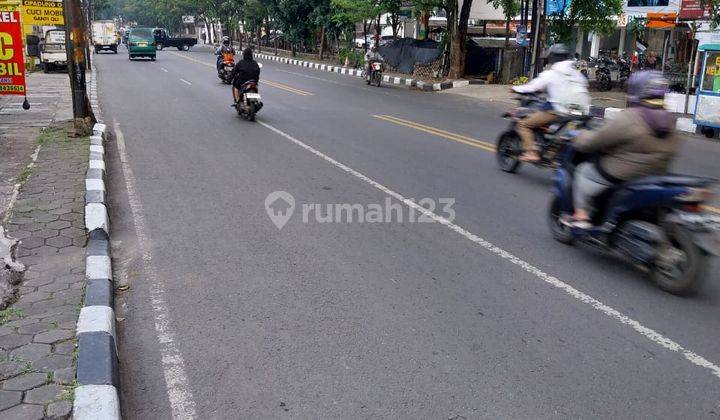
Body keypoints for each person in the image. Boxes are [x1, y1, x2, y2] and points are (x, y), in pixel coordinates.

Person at [566, 71, 681, 229]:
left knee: (583, 172)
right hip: (655, 175)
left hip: (623, 175)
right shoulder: (670, 119)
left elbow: (595, 141)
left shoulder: (630, 117)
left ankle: (582, 216)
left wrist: (579, 136)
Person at [511, 44, 590, 162]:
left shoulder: (551, 73)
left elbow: (533, 87)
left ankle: (532, 152)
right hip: (580, 110)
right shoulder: (577, 74)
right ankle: (552, 147)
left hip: (559, 109)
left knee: (523, 125)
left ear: (552, 58)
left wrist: (515, 89)